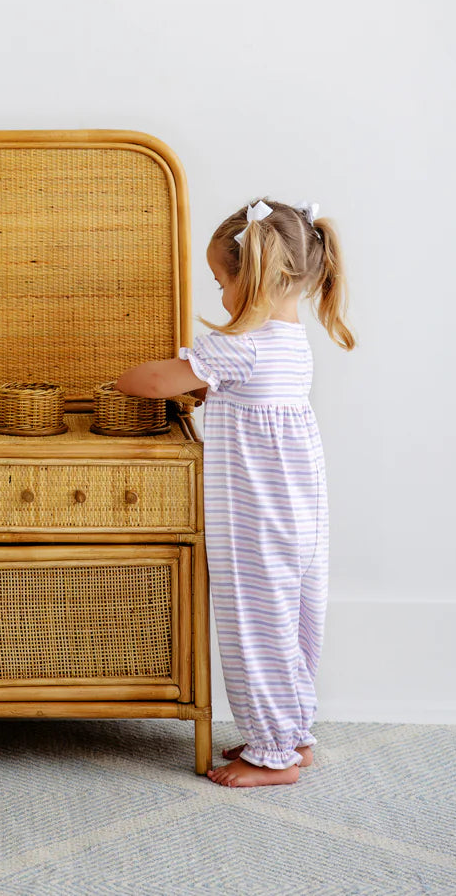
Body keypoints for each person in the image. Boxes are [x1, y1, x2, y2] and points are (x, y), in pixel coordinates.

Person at [115, 197, 354, 787]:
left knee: (255, 627)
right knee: (290, 625)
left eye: (222, 281)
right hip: (298, 515)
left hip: (256, 519)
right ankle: (291, 736)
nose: (218, 295)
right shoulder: (293, 344)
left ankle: (271, 757)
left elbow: (147, 381)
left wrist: (124, 376)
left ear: (255, 280)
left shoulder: (238, 345)